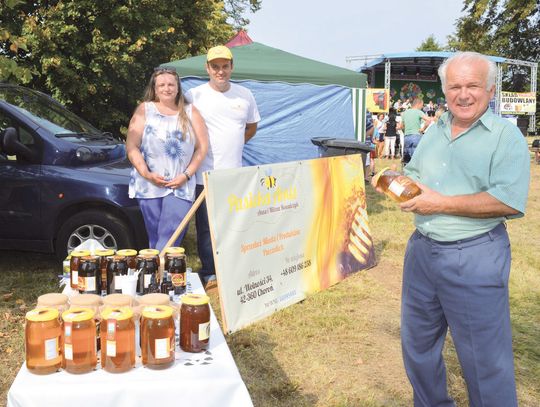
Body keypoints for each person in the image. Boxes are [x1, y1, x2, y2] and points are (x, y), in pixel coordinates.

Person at [374, 51, 530, 407]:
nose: (463, 94)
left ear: (490, 90)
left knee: (484, 362)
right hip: (422, 253)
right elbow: (415, 176)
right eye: (454, 86)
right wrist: (390, 180)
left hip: (474, 256)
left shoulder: (506, 138)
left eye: (472, 85)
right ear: (443, 91)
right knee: (418, 349)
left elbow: (507, 201)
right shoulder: (436, 130)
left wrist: (439, 203)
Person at [184, 45, 261, 286]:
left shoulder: (244, 95)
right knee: (206, 228)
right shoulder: (194, 96)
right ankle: (210, 273)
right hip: (203, 175)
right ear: (207, 68)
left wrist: (235, 144)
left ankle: (231, 268)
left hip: (233, 176)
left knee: (233, 225)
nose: (220, 71)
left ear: (231, 67)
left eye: (225, 66)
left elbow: (251, 127)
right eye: (215, 67)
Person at [127, 68, 208, 252]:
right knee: (155, 238)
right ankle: (160, 276)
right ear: (154, 89)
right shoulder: (144, 109)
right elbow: (132, 146)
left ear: (178, 88)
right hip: (148, 183)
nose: (167, 88)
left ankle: (159, 274)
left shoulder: (190, 111)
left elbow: (202, 148)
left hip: (180, 184)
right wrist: (146, 173)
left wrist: (186, 175)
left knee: (169, 239)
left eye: (171, 84)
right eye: (161, 85)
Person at [401, 97, 431, 163]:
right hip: (416, 136)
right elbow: (429, 120)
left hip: (406, 137)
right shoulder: (419, 112)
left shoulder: (405, 113)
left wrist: (406, 130)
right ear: (418, 104)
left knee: (407, 158)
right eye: (422, 105)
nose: (422, 107)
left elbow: (401, 126)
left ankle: (406, 172)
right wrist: (423, 129)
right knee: (416, 157)